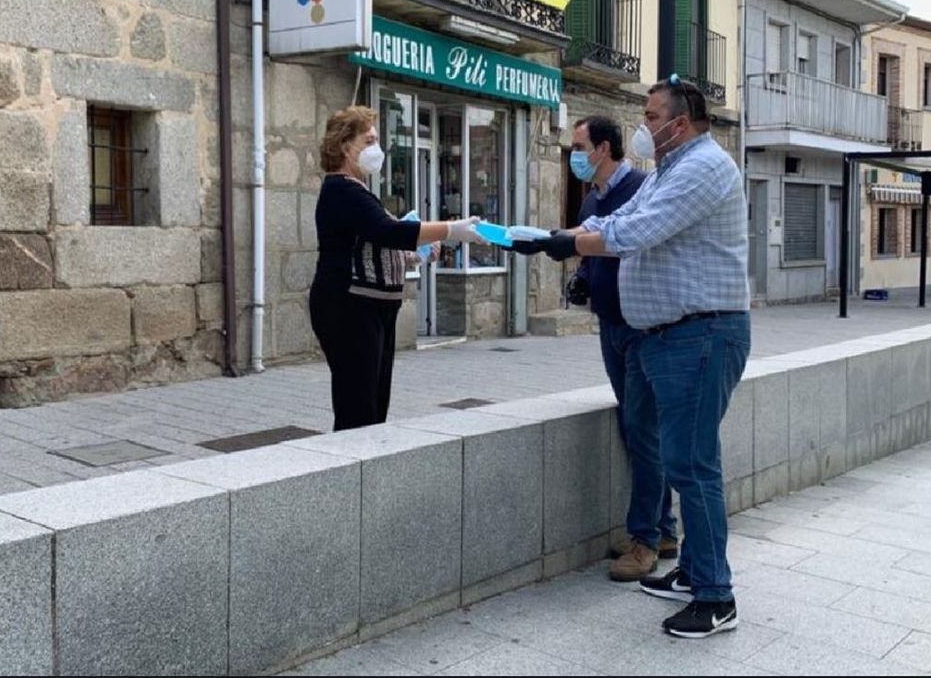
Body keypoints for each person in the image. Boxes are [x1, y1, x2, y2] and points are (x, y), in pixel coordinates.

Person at [514, 76, 750, 639]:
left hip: (701, 334)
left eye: (650, 117)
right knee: (684, 459)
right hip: (672, 337)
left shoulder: (704, 167)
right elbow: (610, 221)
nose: (643, 127)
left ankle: (716, 596)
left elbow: (639, 230)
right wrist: (556, 234)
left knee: (693, 466)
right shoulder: (670, 169)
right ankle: (693, 571)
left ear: (681, 122)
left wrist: (568, 243)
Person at [311, 106, 484, 431]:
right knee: (358, 409)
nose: (378, 149)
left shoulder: (358, 190)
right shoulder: (342, 191)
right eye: (370, 140)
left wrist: (414, 255)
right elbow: (386, 232)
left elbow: (373, 243)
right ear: (346, 146)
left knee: (374, 404)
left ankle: (367, 470)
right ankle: (353, 473)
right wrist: (452, 229)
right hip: (350, 308)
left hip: (372, 308)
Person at [568, 115, 678, 582]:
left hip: (642, 327)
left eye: (579, 144)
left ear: (604, 148)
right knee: (636, 430)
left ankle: (645, 542)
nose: (573, 152)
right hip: (610, 324)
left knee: (642, 429)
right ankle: (664, 527)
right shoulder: (593, 197)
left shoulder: (640, 188)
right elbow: (593, 250)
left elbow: (639, 244)